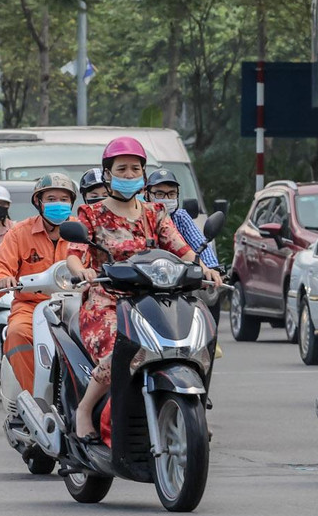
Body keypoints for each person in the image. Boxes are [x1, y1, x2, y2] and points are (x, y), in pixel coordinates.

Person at [64, 139, 221, 441]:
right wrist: (81, 270)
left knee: (193, 345)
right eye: (121, 168)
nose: (128, 173)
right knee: (119, 352)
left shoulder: (155, 212)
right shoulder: (90, 214)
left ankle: (193, 409)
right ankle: (85, 410)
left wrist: (204, 269)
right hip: (107, 299)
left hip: (154, 299)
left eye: (135, 168)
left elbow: (180, 247)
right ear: (107, 174)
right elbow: (74, 253)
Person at [0, 174, 78, 395]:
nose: (58, 204)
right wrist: (3, 278)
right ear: (38, 202)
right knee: (17, 333)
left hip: (76, 306)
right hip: (31, 307)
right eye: (52, 198)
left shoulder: (81, 231)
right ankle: (37, 397)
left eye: (64, 199)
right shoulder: (20, 233)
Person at [145, 169, 220, 269]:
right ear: (147, 195)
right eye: (160, 194)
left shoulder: (180, 217)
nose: (166, 199)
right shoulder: (140, 217)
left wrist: (211, 269)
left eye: (171, 194)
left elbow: (198, 243)